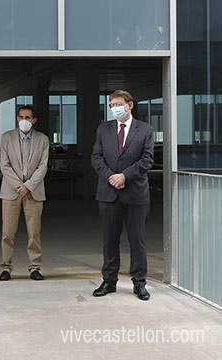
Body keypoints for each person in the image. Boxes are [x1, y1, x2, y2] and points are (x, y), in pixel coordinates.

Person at [91, 90, 154, 301]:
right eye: (111, 105)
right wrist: (111, 177)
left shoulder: (145, 130)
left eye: (118, 104)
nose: (114, 108)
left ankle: (139, 283)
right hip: (108, 193)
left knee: (137, 240)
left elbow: (147, 160)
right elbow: (96, 157)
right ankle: (109, 281)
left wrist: (124, 177)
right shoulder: (104, 129)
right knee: (110, 240)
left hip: (136, 194)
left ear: (130, 105)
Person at [0, 105, 49, 281]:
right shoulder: (6, 138)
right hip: (11, 192)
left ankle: (35, 267)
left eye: (28, 118)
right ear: (17, 118)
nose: (24, 121)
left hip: (33, 192)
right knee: (7, 232)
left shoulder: (42, 140)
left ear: (33, 120)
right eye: (21, 117)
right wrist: (19, 185)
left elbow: (43, 166)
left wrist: (28, 186)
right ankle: (6, 267)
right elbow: (4, 165)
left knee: (34, 232)